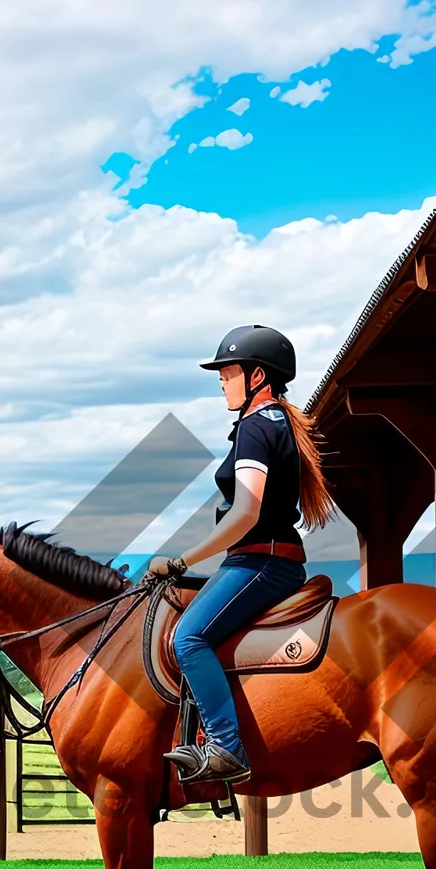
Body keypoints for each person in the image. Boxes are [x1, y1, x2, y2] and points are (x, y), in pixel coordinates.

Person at [146, 325, 336, 785]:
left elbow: (246, 512)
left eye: (228, 372)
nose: (221, 381)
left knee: (187, 638)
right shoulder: (275, 423)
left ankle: (226, 747)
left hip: (260, 562)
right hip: (265, 560)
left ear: (258, 377)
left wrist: (181, 561)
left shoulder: (255, 427)